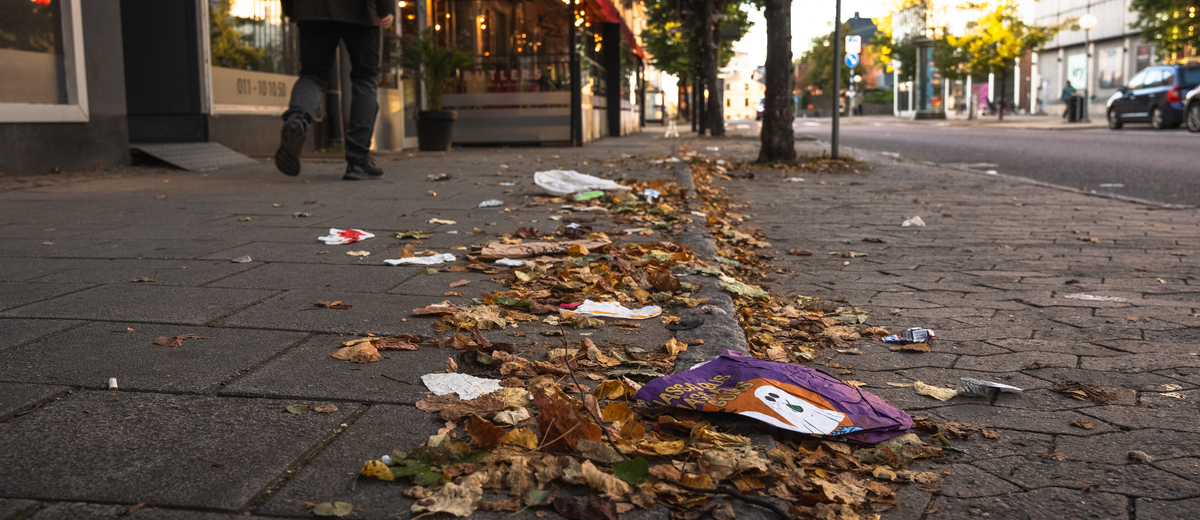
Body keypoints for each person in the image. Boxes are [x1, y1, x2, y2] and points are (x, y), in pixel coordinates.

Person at [275, 0, 395, 180]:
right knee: (365, 78)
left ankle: (297, 119)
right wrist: (386, 8)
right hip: (360, 10)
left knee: (312, 75)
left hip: (311, 9)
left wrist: (291, 8)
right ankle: (357, 161)